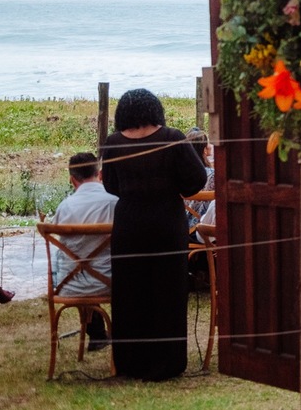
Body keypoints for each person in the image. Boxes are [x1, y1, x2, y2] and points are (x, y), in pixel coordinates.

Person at [100, 88, 208, 380]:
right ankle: (166, 362)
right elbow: (196, 179)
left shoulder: (113, 143)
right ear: (155, 110)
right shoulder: (173, 138)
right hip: (166, 222)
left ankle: (130, 362)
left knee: (129, 290)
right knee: (168, 290)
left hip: (129, 223)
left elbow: (110, 185)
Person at [51, 152, 118, 349]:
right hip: (110, 284)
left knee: (75, 262)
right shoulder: (114, 203)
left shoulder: (64, 207)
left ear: (72, 180)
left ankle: (96, 333)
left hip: (68, 285)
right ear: (100, 174)